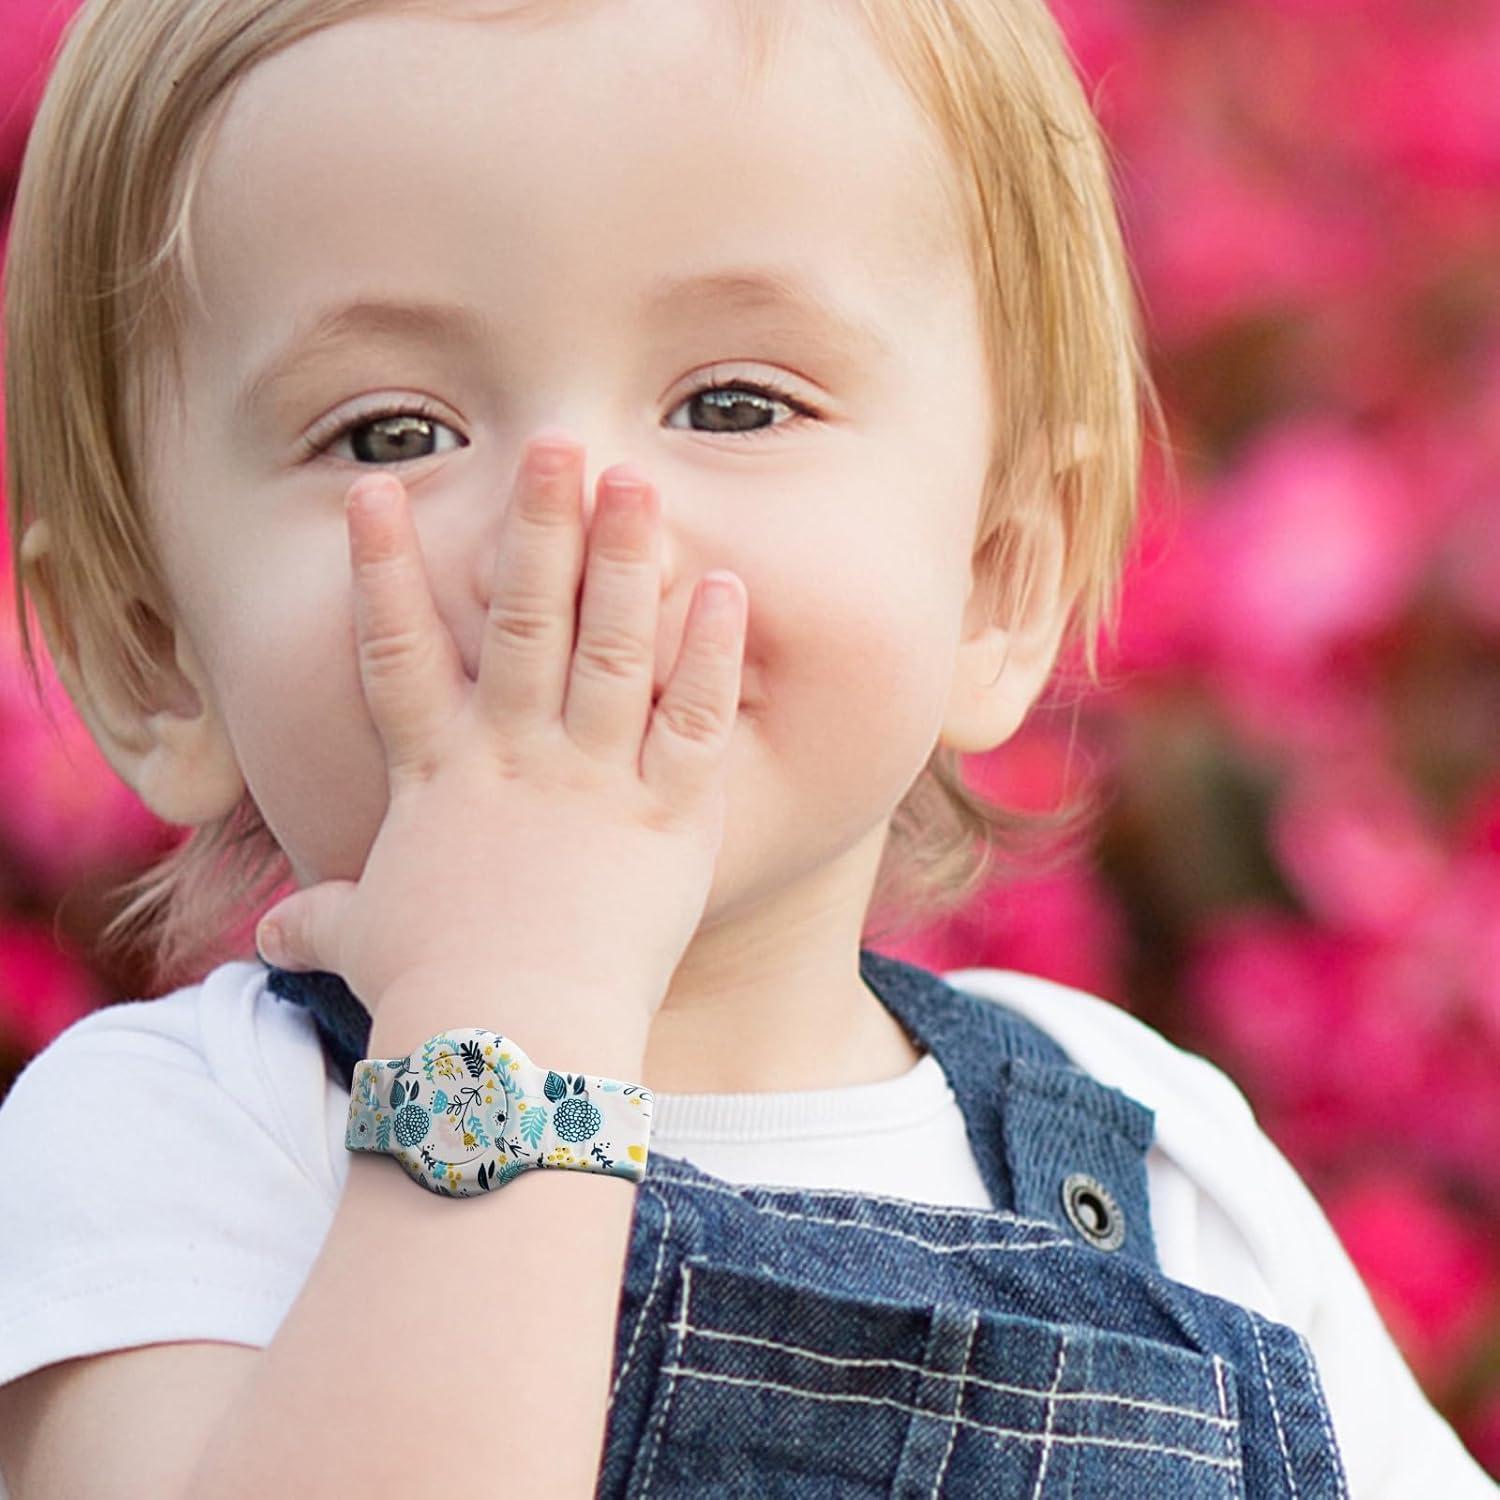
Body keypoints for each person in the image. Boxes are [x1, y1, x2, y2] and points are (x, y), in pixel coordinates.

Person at [0, 0, 1491, 1495]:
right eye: (390, 432)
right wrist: (507, 1024)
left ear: (993, 578)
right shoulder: (175, 1150)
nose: (574, 525)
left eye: (733, 403)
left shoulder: (1167, 1166)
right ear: (153, 651)